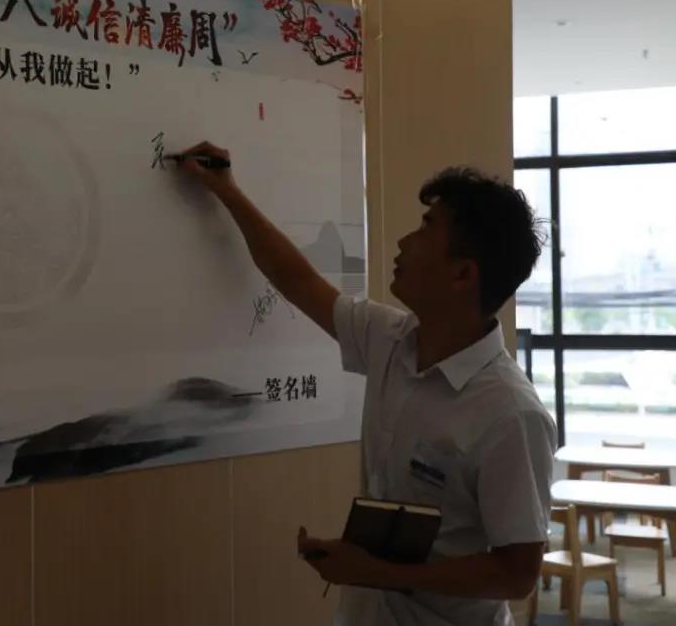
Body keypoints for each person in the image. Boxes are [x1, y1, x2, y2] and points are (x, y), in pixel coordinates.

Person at [177, 142, 556, 625]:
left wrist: (379, 572)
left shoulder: (510, 414)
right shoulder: (391, 339)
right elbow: (297, 280)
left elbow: (517, 575)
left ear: (463, 274)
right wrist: (226, 190)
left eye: (426, 228)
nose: (404, 242)